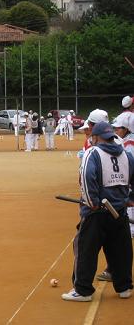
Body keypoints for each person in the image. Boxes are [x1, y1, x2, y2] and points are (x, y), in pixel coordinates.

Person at [61, 122, 133, 302]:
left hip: (96, 212)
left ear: (97, 137)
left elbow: (87, 177)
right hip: (119, 211)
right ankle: (124, 287)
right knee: (121, 250)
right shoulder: (126, 155)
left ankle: (83, 290)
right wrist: (131, 198)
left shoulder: (92, 153)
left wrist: (91, 201)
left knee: (86, 250)